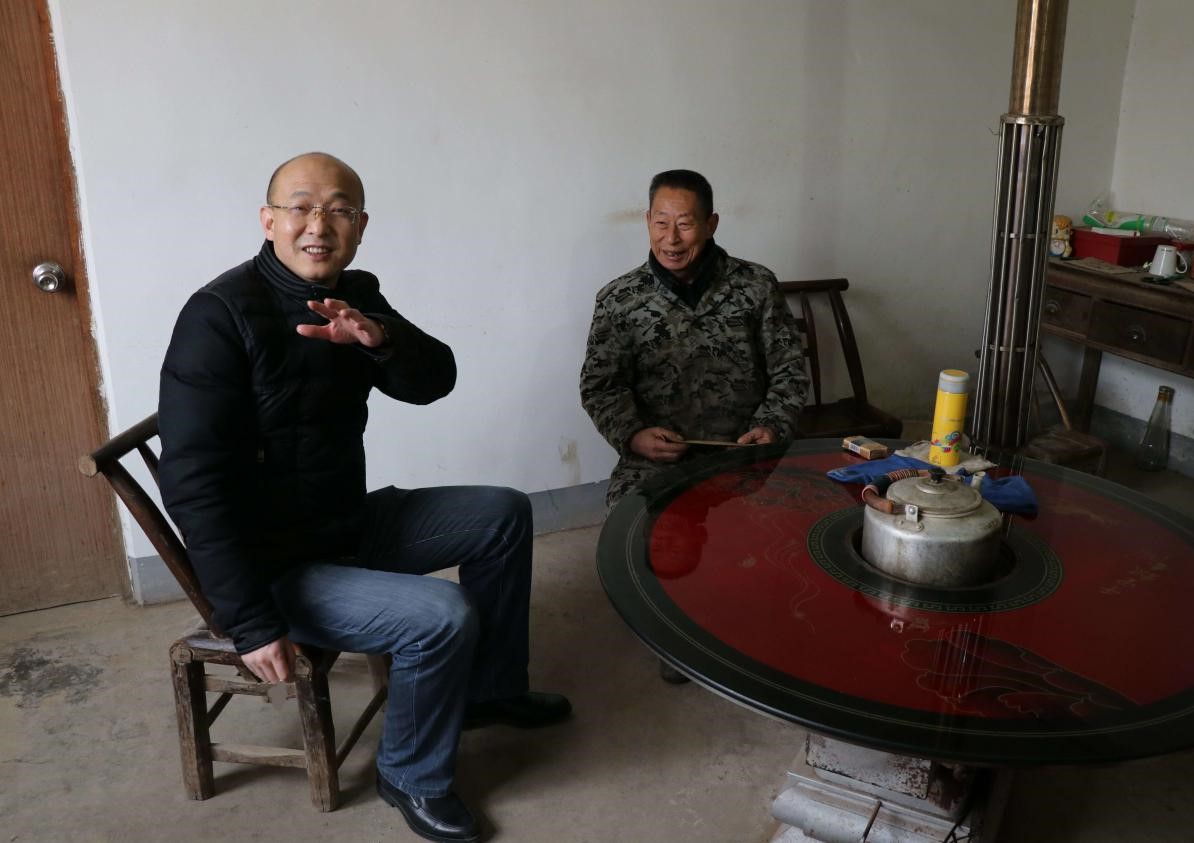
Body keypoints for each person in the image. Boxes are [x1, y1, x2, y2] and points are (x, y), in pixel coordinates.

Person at [157, 152, 568, 843]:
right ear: (268, 220)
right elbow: (193, 484)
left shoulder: (355, 292)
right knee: (440, 615)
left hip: (340, 524)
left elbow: (435, 380)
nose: (319, 225)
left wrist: (379, 339)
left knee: (502, 512)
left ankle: (489, 691)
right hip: (274, 566)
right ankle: (409, 773)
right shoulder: (217, 316)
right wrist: (249, 620)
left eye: (339, 210)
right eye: (300, 207)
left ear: (361, 225)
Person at [579, 169, 808, 681]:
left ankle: (745, 620)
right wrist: (634, 435)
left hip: (744, 453)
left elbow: (790, 372)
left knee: (789, 532)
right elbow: (601, 387)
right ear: (647, 221)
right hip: (655, 461)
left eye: (684, 223)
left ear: (711, 224)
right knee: (647, 529)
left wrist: (771, 427)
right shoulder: (620, 299)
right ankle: (677, 632)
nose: (672, 238)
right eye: (660, 222)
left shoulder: (755, 286)